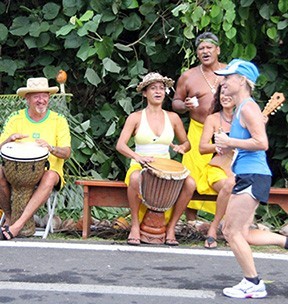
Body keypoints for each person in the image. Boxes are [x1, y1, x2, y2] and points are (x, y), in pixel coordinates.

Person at [214, 59, 288, 298]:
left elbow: (262, 143)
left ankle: (253, 283)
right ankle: (284, 243)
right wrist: (226, 146)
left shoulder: (247, 107)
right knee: (242, 233)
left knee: (230, 231)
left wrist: (229, 141)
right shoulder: (242, 108)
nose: (223, 82)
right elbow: (248, 142)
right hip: (248, 174)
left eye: (228, 78)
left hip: (253, 176)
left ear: (242, 80)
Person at [116, 72, 196, 246]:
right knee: (135, 178)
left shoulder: (173, 118)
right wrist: (138, 157)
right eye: (153, 88)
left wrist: (182, 147)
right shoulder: (135, 117)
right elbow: (121, 145)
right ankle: (135, 226)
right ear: (145, 93)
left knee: (190, 183)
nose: (158, 91)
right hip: (140, 165)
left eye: (161, 88)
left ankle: (171, 227)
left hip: (166, 167)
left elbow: (187, 143)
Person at [0, 77, 71, 240]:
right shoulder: (15, 118)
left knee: (51, 176)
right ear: (27, 98)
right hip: (15, 172)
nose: (42, 100)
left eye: (44, 96)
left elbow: (66, 152)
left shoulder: (58, 120)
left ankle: (18, 225)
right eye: (36, 96)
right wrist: (8, 140)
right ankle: (10, 217)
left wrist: (51, 148)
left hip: (47, 172)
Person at [172, 32, 226, 221]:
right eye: (201, 48)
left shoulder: (230, 73)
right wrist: (184, 106)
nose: (205, 51)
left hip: (224, 131)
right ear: (197, 53)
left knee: (223, 174)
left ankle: (225, 221)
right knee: (192, 176)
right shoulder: (188, 76)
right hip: (197, 130)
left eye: (209, 47)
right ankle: (190, 222)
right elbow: (175, 103)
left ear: (217, 50)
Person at [198, 85, 235, 249]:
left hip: (238, 167)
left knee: (236, 184)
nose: (225, 96)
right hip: (218, 168)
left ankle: (232, 229)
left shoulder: (244, 118)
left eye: (230, 94)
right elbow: (202, 147)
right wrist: (220, 146)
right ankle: (215, 226)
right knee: (230, 185)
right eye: (222, 93)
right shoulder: (212, 119)